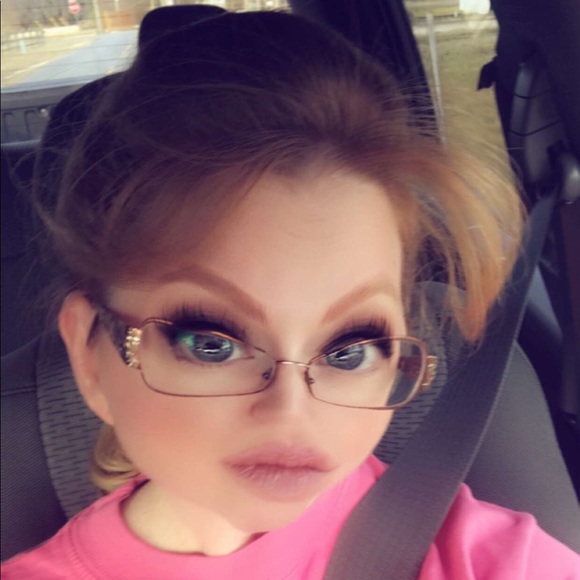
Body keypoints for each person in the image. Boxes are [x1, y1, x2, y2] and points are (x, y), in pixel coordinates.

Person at [2, 10, 579, 580]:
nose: (291, 412)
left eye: (351, 351)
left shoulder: (499, 562)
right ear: (89, 356)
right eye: (211, 344)